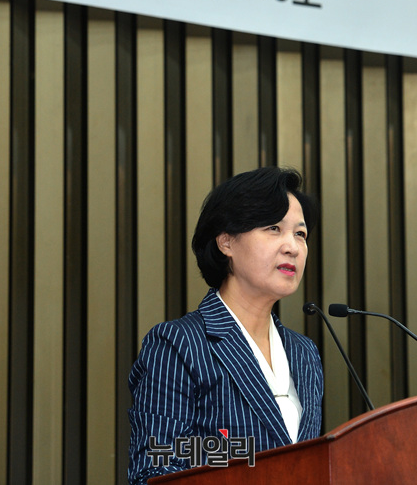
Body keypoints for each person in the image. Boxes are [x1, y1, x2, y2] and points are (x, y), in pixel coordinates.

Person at [128, 166, 323, 484]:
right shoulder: (179, 344)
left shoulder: (304, 353)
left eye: (300, 234)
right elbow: (156, 466)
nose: (292, 246)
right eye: (273, 228)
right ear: (226, 242)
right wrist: (240, 458)